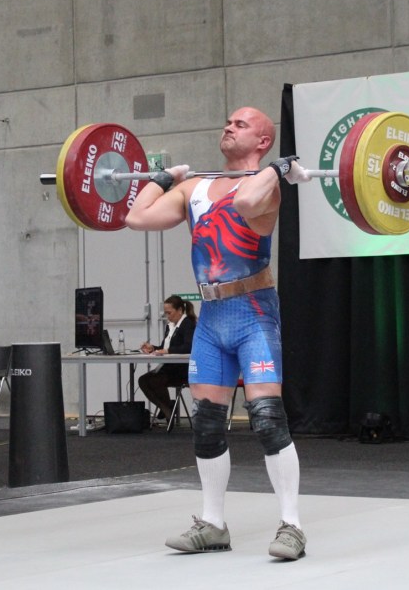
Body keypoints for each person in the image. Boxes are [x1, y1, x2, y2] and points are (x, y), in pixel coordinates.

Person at [126, 106, 312, 560]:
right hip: (211, 318)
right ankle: (212, 525)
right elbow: (136, 217)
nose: (228, 127)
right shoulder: (195, 187)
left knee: (266, 418)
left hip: (254, 312)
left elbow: (246, 203)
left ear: (263, 141)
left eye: (241, 124)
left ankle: (292, 526)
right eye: (228, 121)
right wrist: (164, 178)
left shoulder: (266, 186)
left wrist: (279, 169)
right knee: (207, 422)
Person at [138, 295, 197, 423]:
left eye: (169, 313)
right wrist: (153, 348)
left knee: (153, 381)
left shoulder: (188, 324)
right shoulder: (170, 326)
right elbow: (164, 348)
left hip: (182, 369)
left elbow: (188, 347)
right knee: (143, 380)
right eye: (165, 313)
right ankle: (167, 406)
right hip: (169, 368)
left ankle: (167, 408)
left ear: (180, 310)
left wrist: (167, 351)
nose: (167, 316)